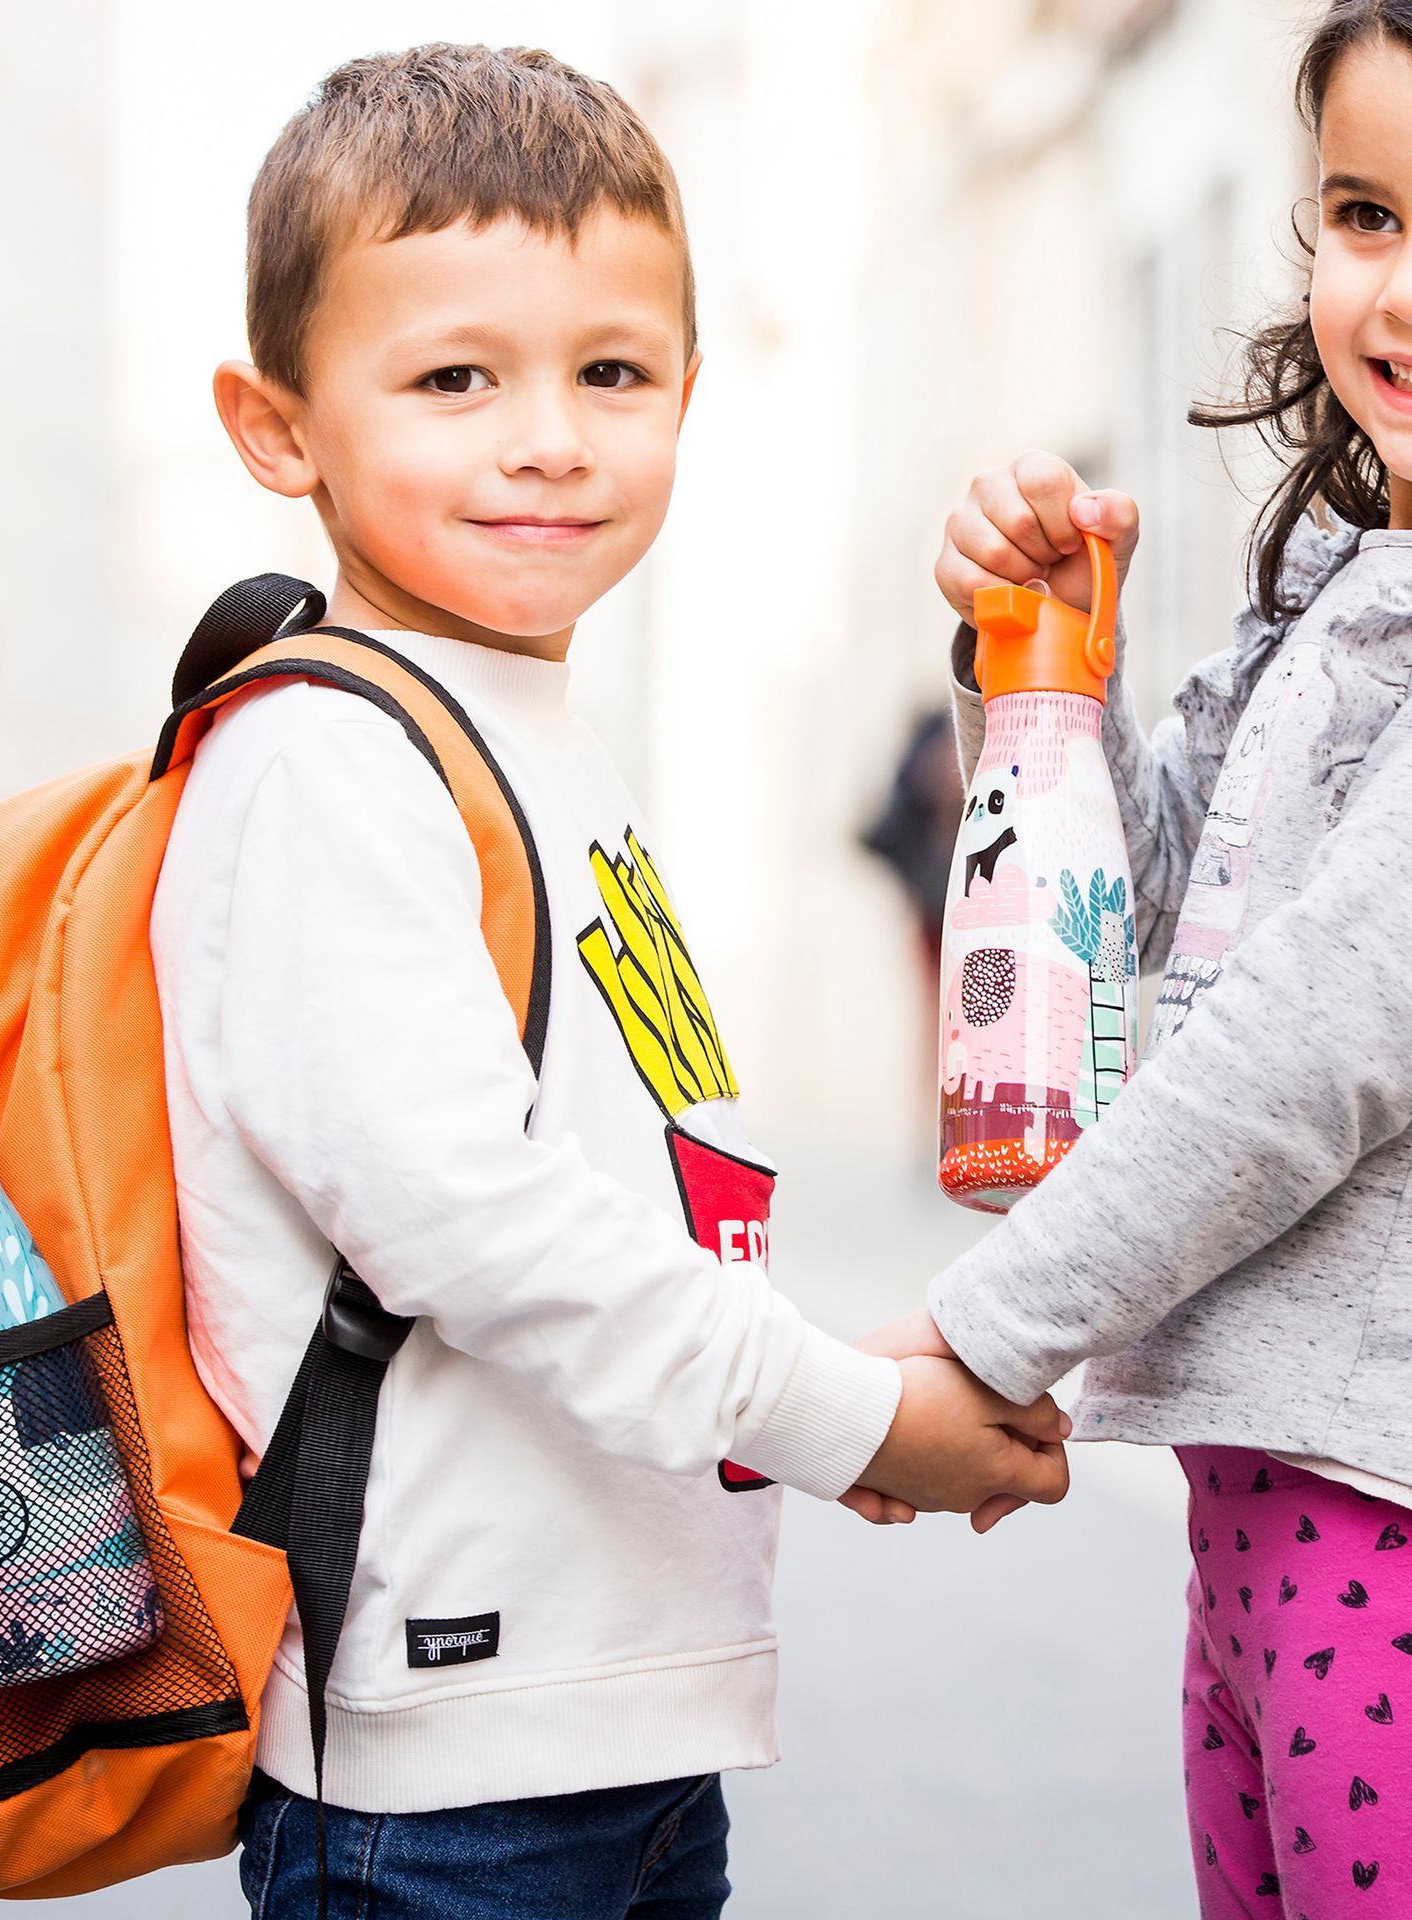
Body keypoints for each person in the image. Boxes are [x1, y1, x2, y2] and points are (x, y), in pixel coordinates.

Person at [149, 42, 1070, 1919]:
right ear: (279, 425)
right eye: (454, 377)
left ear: (686, 392)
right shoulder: (328, 760)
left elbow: (624, 1197)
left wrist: (820, 1375)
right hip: (448, 1778)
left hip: (612, 1736)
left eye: (612, 372)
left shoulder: (531, 727)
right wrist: (839, 1416)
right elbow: (473, 1229)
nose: (549, 435)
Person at [871, 4, 1412, 1910]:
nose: (1400, 295)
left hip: (1389, 1515)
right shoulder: (1327, 593)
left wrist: (978, 1336)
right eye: (1366, 215)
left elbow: (1298, 1053)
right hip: (1260, 1496)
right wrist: (1040, 675)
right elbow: (1150, 902)